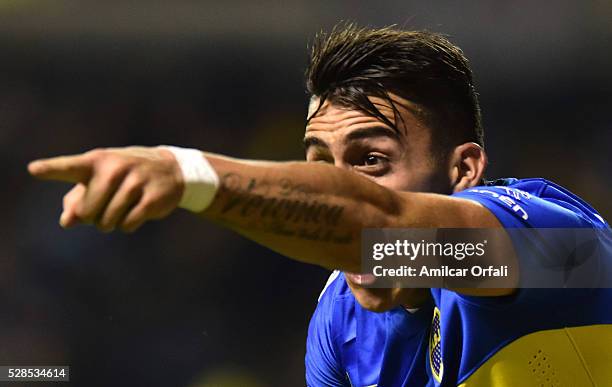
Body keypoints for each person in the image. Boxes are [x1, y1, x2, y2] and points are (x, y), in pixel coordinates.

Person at [28, 24, 612, 386]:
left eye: (371, 160)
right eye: (318, 164)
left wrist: (190, 175)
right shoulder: (341, 320)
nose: (336, 185)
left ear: (462, 171)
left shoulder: (553, 251)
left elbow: (375, 228)